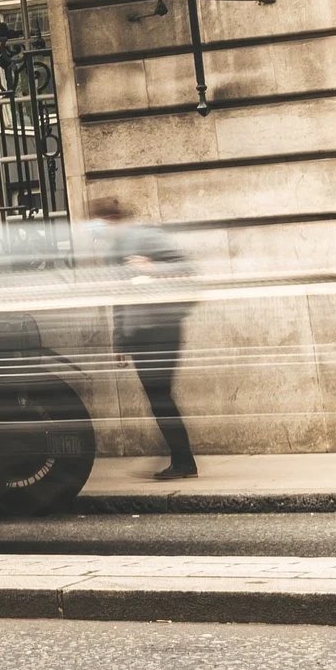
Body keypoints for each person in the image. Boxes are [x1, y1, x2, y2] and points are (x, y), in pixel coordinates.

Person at [94, 198, 197, 480]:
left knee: (160, 395)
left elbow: (187, 268)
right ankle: (181, 458)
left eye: (100, 225)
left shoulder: (147, 236)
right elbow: (119, 298)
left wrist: (152, 269)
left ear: (113, 219)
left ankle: (184, 461)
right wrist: (120, 342)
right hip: (139, 333)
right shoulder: (112, 252)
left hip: (162, 328)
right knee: (157, 396)